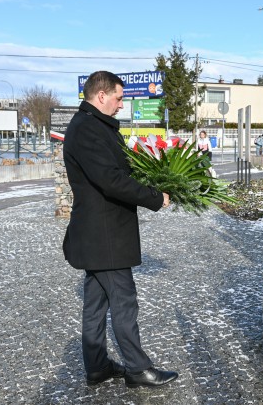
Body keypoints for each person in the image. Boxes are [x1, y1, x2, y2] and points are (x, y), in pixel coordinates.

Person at [62, 71, 178, 388]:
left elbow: (118, 171)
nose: (120, 104)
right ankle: (138, 370)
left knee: (96, 306)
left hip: (99, 235)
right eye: (118, 97)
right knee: (124, 303)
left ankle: (97, 367)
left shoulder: (92, 126)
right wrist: (155, 197)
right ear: (101, 96)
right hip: (105, 236)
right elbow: (110, 180)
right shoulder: (87, 129)